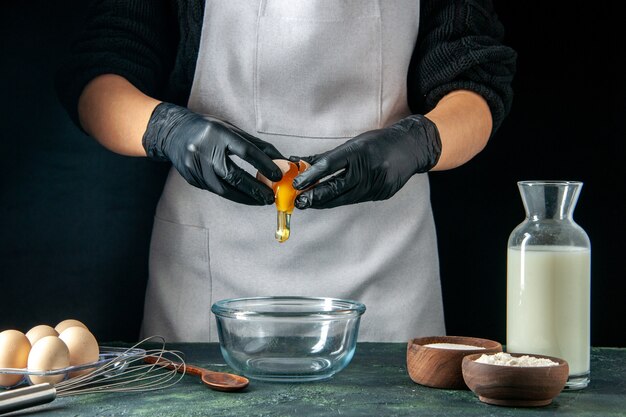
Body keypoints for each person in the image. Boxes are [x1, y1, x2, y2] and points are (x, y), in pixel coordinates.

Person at [56, 0, 516, 342]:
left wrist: (420, 142)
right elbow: (102, 69)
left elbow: (475, 81)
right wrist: (168, 130)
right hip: (212, 271)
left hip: (386, 270)